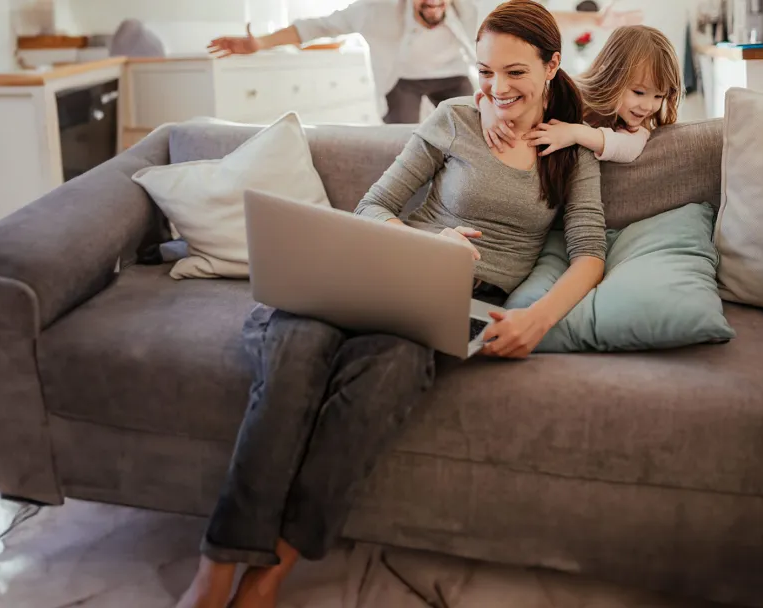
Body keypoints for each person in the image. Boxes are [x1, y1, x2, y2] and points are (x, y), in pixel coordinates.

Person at [178, 2, 607, 607]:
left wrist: (538, 317)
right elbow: (375, 206)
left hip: (457, 299)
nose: (497, 88)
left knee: (391, 372)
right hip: (388, 263)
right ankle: (216, 567)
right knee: (297, 350)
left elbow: (590, 252)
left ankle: (273, 569)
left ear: (551, 66)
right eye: (485, 72)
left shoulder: (571, 148)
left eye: (515, 72)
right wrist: (429, 240)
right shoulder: (456, 118)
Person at [207, 0, 644, 124]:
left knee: (475, 120)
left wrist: (596, 17)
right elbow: (313, 28)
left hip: (451, 72)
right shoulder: (373, 11)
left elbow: (529, 11)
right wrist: (258, 44)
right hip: (402, 79)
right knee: (401, 131)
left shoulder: (469, 10)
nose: (433, 6)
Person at [477, 24, 682, 163]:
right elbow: (489, 94)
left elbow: (630, 148)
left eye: (659, 96)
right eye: (639, 92)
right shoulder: (570, 91)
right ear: (609, 76)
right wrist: (489, 112)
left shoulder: (635, 126)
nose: (648, 106)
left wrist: (574, 133)